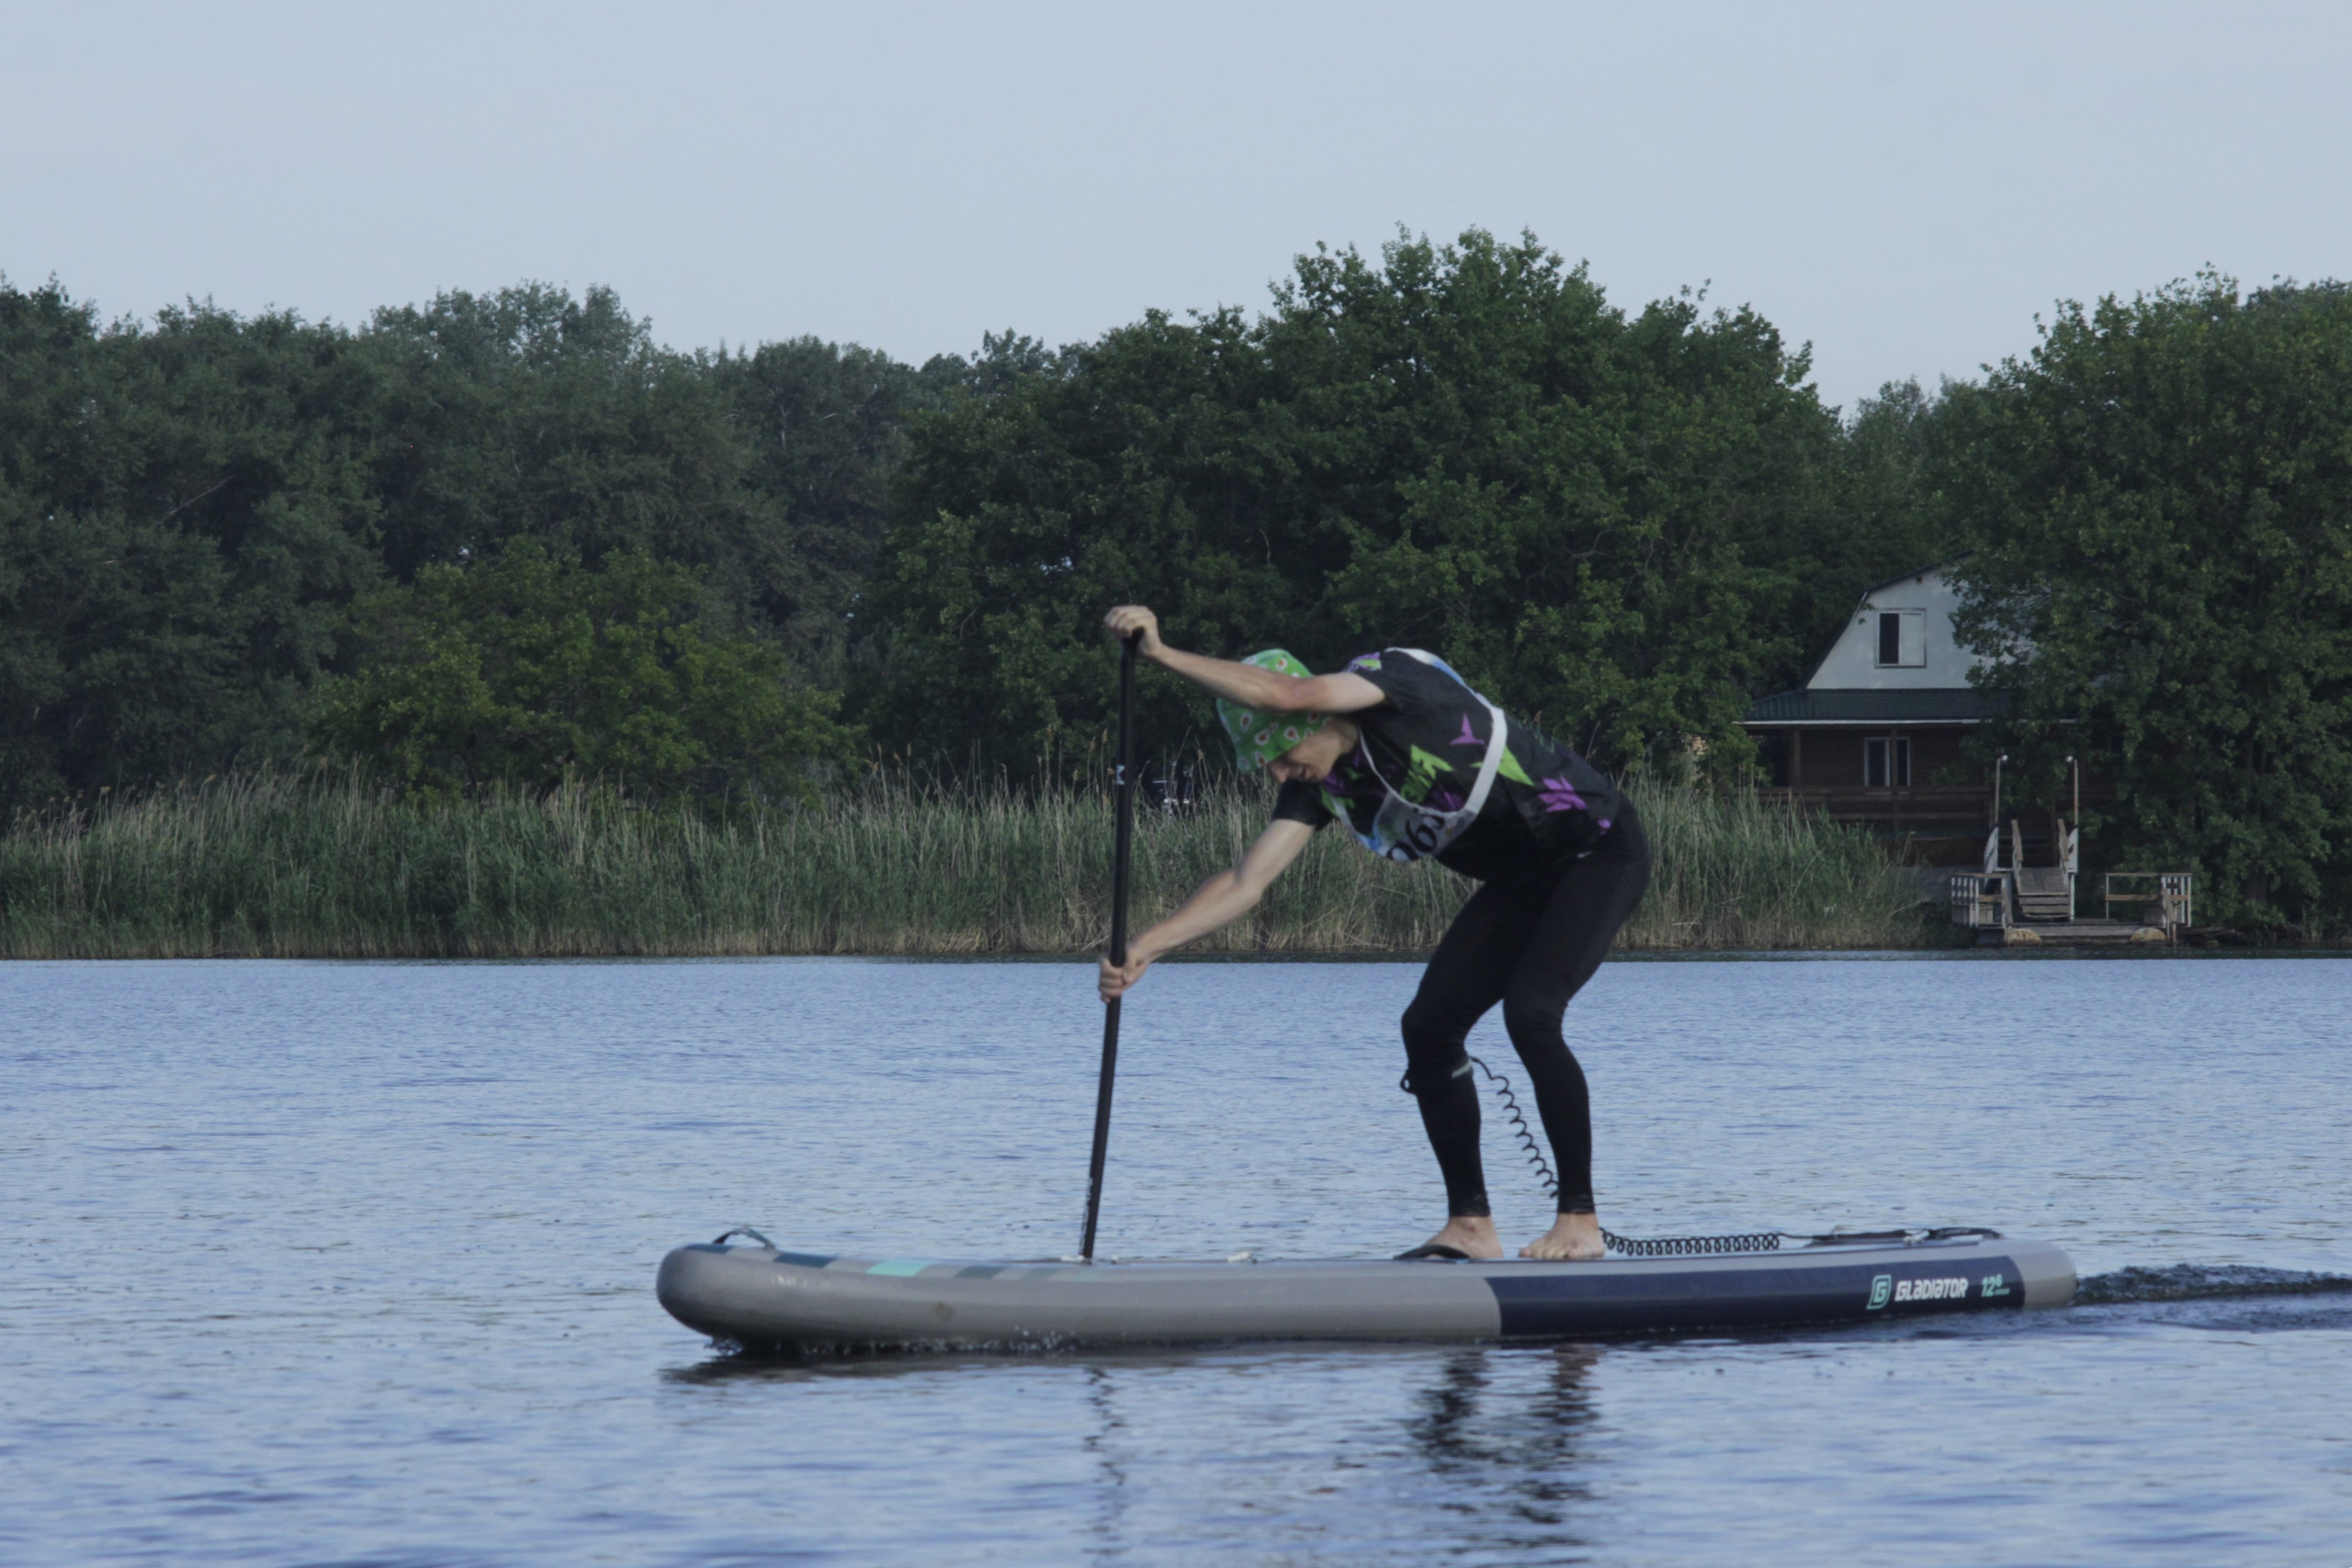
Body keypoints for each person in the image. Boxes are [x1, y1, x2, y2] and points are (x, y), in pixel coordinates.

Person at [1096, 605, 1650, 1260]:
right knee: (1428, 1028)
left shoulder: (1398, 686)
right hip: (1526, 878)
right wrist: (1145, 947)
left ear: (1313, 717)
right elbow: (1248, 880)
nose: (1277, 773)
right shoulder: (1325, 786)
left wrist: (1158, 653)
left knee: (1531, 1011)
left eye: (1278, 753)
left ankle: (1579, 1222)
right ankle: (1471, 1227)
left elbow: (1290, 692)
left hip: (1597, 849)